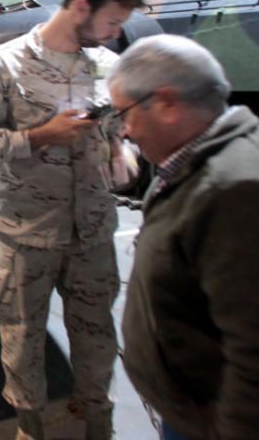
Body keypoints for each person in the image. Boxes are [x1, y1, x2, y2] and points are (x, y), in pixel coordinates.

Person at [0, 0, 145, 440]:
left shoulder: (108, 65)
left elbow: (120, 132)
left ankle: (99, 424)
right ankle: (31, 428)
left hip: (93, 234)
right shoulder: (3, 64)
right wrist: (40, 136)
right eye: (112, 21)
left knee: (98, 336)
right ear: (81, 8)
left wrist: (126, 154)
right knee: (21, 340)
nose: (114, 33)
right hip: (24, 235)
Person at [107, 35, 259, 440]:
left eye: (125, 113)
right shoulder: (197, 164)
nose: (124, 131)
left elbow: (252, 349)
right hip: (189, 407)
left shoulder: (235, 189)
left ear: (167, 103)